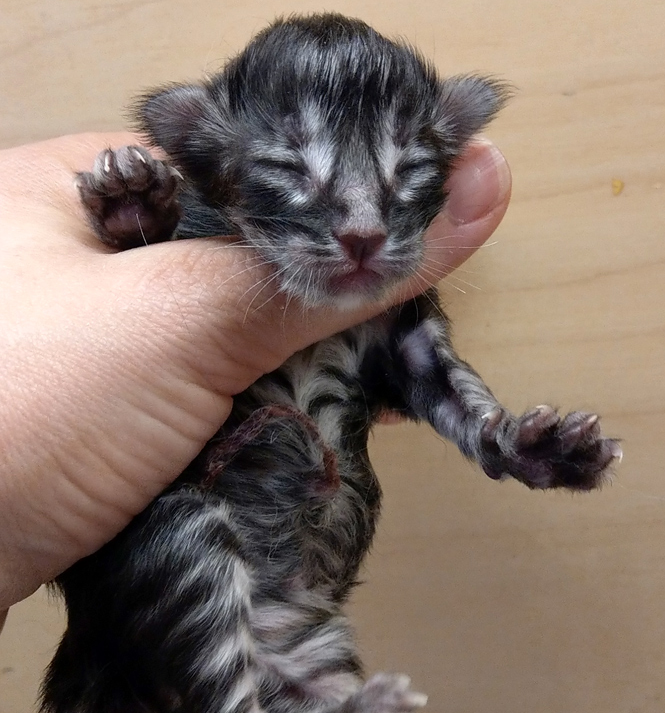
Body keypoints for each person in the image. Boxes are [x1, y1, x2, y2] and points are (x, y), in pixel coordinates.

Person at [0, 132, 512, 624]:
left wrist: (497, 435)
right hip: (201, 558)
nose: (361, 224)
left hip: (300, 573)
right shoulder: (217, 200)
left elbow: (417, 385)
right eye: (291, 168)